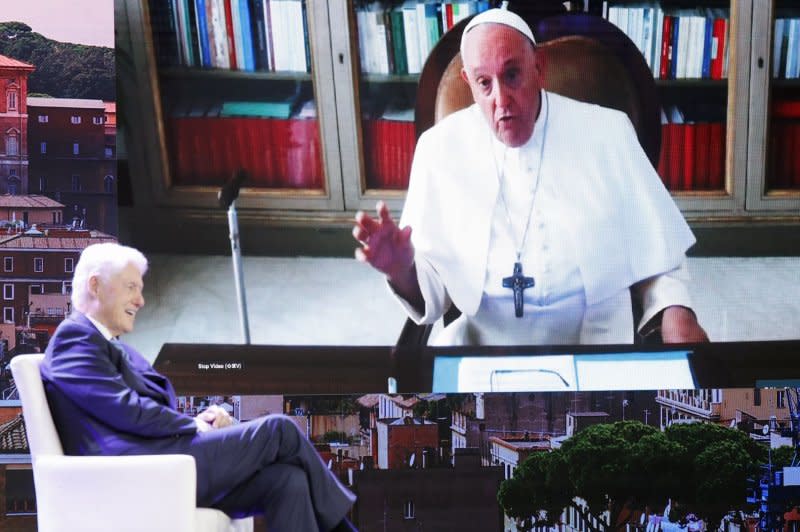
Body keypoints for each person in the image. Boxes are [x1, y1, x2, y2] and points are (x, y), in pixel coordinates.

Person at [353, 7, 708, 346]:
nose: (501, 100)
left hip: (595, 343)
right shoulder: (439, 149)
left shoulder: (608, 131)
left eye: (512, 75)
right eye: (484, 83)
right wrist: (401, 269)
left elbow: (657, 250)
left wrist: (675, 309)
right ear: (468, 83)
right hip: (483, 347)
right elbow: (432, 292)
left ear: (538, 67)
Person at [40, 242, 357, 532]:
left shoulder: (111, 345)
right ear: (96, 285)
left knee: (289, 481)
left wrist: (202, 419)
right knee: (279, 430)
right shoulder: (74, 338)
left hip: (162, 460)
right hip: (136, 473)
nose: (141, 299)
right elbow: (123, 409)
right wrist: (191, 424)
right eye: (131, 287)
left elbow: (141, 408)